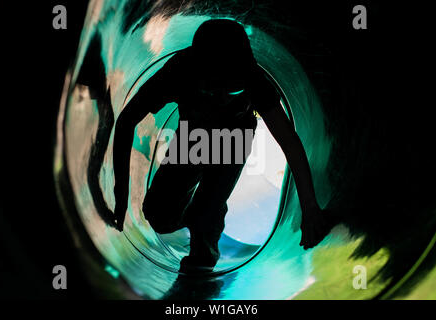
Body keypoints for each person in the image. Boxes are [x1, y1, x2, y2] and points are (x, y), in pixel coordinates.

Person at [112, 19, 333, 273]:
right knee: (159, 217)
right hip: (193, 136)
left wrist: (309, 208)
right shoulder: (179, 71)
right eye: (215, 90)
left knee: (207, 215)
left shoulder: (253, 79)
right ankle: (198, 213)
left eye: (231, 91)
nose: (221, 96)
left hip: (234, 138)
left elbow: (289, 142)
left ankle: (204, 237)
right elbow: (127, 119)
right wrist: (121, 194)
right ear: (201, 72)